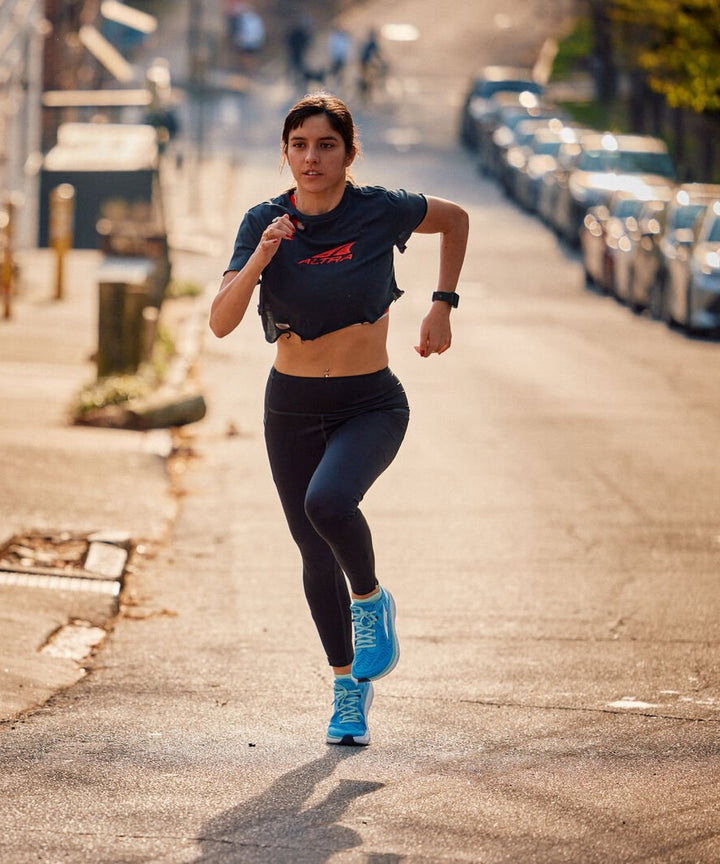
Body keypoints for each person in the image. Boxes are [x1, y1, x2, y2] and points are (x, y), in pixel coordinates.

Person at [209, 94, 469, 746]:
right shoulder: (264, 220)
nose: (311, 157)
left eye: (326, 145)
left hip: (369, 402)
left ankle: (371, 599)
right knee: (310, 552)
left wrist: (442, 305)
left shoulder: (378, 209)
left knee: (329, 503)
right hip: (290, 407)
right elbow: (220, 321)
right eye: (299, 145)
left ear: (350, 153)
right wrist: (261, 260)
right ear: (286, 152)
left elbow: (457, 219)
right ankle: (347, 688)